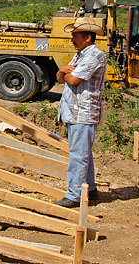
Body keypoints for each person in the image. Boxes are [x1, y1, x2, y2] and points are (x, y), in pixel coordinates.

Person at [54, 17, 107, 208]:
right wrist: (63, 72)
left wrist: (65, 73)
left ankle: (74, 194)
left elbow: (73, 79)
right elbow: (61, 76)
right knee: (83, 152)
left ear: (87, 37)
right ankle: (90, 188)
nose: (72, 39)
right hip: (75, 111)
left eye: (75, 35)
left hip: (83, 112)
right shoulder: (80, 55)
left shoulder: (93, 56)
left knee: (79, 154)